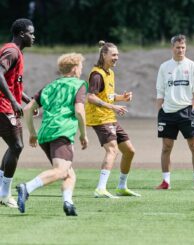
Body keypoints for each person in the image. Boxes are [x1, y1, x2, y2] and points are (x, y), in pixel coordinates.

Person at [16, 53, 88, 216]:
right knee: (61, 171)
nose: (81, 70)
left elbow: (27, 109)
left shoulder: (49, 86)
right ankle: (26, 187)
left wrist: (32, 133)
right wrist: (83, 134)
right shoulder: (79, 85)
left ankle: (68, 203)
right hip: (62, 132)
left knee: (69, 173)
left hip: (45, 134)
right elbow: (79, 111)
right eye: (81, 67)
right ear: (75, 68)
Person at [85, 41, 140, 198]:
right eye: (114, 55)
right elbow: (91, 97)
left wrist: (121, 98)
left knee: (129, 151)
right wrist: (113, 107)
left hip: (109, 117)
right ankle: (100, 188)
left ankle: (121, 187)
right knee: (112, 150)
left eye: (118, 55)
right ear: (104, 55)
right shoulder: (97, 74)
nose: (117, 58)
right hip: (100, 118)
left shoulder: (110, 73)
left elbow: (107, 96)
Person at [156, 34, 194, 190]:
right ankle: (166, 182)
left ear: (186, 47)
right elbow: (160, 92)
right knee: (166, 147)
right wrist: (160, 112)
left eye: (183, 47)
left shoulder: (192, 66)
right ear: (172, 48)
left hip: (186, 111)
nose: (180, 50)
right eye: (178, 47)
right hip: (168, 112)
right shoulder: (164, 67)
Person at [0, 18, 35, 208]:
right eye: (31, 33)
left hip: (7, 104)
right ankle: (4, 194)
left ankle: (2, 192)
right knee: (17, 146)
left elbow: (12, 83)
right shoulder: (11, 51)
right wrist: (13, 101)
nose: (34, 36)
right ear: (22, 34)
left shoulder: (16, 52)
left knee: (15, 146)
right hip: (2, 106)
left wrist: (27, 99)